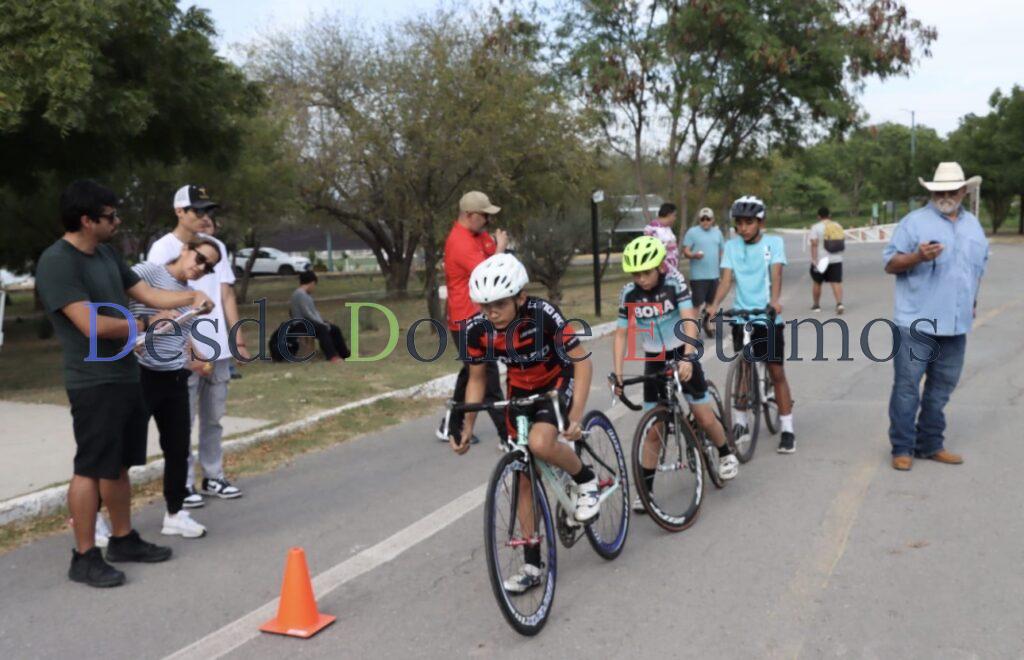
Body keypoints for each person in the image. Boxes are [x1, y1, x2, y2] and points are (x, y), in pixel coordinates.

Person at [36, 180, 212, 587]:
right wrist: (146, 324)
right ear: (87, 219)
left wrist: (189, 299)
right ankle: (84, 556)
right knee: (90, 467)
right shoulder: (58, 262)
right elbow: (91, 325)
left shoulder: (106, 254)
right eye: (111, 216)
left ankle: (123, 538)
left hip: (126, 375)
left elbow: (147, 292)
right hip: (93, 380)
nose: (117, 222)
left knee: (118, 464)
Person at [451, 254, 596, 593]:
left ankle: (586, 479)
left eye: (499, 304)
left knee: (540, 443)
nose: (491, 313)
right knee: (523, 478)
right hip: (519, 392)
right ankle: (532, 564)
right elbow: (477, 380)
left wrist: (575, 417)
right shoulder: (477, 330)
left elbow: (582, 363)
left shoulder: (543, 314)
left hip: (556, 381)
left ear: (520, 297)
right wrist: (467, 427)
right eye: (484, 306)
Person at [613, 236, 737, 513]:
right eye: (635, 274)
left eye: (645, 272)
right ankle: (646, 490)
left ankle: (725, 453)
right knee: (653, 431)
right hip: (654, 358)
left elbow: (689, 319)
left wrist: (689, 356)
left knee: (704, 416)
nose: (640, 279)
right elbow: (621, 334)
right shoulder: (629, 294)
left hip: (682, 347)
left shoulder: (674, 282)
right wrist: (618, 374)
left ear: (659, 266)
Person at [882, 162, 988, 471]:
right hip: (916, 322)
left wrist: (972, 300)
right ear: (931, 192)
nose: (945, 196)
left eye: (951, 190)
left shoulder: (974, 226)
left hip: (955, 325)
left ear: (964, 191)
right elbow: (890, 263)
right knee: (907, 388)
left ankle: (930, 444)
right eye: (939, 191)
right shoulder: (913, 223)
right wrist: (917, 256)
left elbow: (977, 268)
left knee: (941, 388)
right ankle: (902, 447)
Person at [147, 185, 246, 507]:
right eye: (198, 210)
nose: (205, 217)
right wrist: (190, 350)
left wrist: (237, 337)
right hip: (183, 352)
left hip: (217, 349)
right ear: (179, 212)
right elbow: (158, 301)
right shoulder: (162, 249)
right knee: (182, 422)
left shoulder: (216, 247)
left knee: (214, 419)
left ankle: (213, 475)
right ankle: (184, 483)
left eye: (208, 211)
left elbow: (225, 292)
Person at [130, 238, 222, 539]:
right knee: (124, 448)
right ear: (185, 249)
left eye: (209, 267)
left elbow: (180, 333)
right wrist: (141, 324)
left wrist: (197, 356)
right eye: (200, 258)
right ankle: (96, 517)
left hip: (174, 376)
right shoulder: (147, 272)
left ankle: (175, 513)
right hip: (140, 374)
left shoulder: (189, 294)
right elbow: (110, 305)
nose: (201, 267)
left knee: (178, 448)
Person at [710, 195, 797, 454]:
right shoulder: (732, 246)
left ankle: (787, 428)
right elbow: (726, 281)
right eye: (739, 223)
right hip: (742, 317)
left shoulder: (774, 243)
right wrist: (713, 305)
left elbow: (776, 273)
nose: (743, 228)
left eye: (749, 222)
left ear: (761, 222)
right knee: (744, 368)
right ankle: (741, 423)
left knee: (776, 371)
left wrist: (774, 301)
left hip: (767, 316)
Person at [439, 191, 510, 445]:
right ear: (469, 215)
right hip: (466, 320)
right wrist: (500, 250)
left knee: (470, 372)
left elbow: (493, 259)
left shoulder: (478, 235)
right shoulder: (460, 242)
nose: (488, 221)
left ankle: (450, 424)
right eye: (484, 215)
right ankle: (508, 436)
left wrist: (497, 249)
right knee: (488, 377)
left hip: (480, 316)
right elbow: (488, 274)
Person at [682, 207, 725, 336]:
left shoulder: (717, 233)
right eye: (702, 219)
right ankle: (693, 329)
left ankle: (708, 324)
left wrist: (724, 269)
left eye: (708, 219)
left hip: (714, 275)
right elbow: (686, 251)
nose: (705, 221)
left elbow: (722, 251)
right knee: (696, 304)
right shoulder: (692, 232)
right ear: (699, 220)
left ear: (712, 220)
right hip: (698, 276)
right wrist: (693, 255)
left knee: (712, 303)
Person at [289, 271, 350, 363]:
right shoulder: (300, 294)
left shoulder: (304, 294)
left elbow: (313, 313)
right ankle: (331, 356)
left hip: (308, 322)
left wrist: (323, 322)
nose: (314, 288)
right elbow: (308, 313)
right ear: (312, 283)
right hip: (300, 324)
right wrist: (322, 323)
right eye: (314, 285)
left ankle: (344, 354)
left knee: (334, 329)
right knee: (322, 329)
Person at [808, 207, 845, 314]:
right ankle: (839, 303)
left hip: (821, 259)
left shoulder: (816, 227)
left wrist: (814, 259)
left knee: (817, 282)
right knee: (836, 282)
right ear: (830, 215)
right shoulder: (837, 225)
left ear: (818, 216)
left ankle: (816, 305)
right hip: (836, 259)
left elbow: (814, 244)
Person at [644, 203, 681, 276]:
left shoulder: (668, 228)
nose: (675, 218)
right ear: (669, 215)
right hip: (661, 269)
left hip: (673, 269)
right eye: (674, 215)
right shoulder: (652, 229)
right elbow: (651, 249)